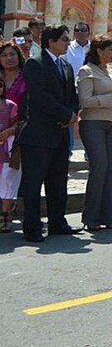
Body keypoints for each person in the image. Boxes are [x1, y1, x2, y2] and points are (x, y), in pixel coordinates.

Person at [17, 25, 80, 242]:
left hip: (61, 134)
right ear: (50, 41)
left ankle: (57, 222)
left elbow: (72, 94)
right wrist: (64, 115)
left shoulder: (66, 65)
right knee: (33, 184)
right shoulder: (35, 63)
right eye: (64, 39)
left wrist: (72, 113)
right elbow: (39, 97)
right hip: (39, 135)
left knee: (58, 181)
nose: (67, 43)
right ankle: (32, 227)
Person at [77, 35, 112, 231]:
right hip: (93, 123)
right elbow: (85, 101)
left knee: (110, 169)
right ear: (99, 51)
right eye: (109, 49)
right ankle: (91, 216)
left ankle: (109, 215)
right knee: (100, 166)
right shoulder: (86, 71)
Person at [0, 43, 25, 232]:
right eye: (4, 55)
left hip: (17, 131)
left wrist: (12, 129)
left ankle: (6, 213)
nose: (9, 58)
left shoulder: (27, 78)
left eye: (12, 54)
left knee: (9, 174)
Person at [0, 78, 20, 233]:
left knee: (7, 182)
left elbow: (16, 123)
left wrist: (9, 131)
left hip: (6, 151)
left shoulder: (10, 105)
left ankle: (5, 214)